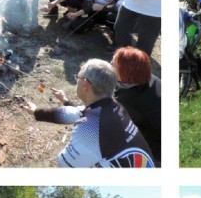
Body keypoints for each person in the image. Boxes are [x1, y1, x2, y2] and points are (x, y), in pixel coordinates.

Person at [26, 59, 155, 168]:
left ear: (86, 85)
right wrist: (38, 112)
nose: (77, 80)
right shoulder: (114, 107)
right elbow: (78, 113)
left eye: (78, 78)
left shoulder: (88, 131)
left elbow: (64, 164)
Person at [112, 46, 161, 165]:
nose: (110, 66)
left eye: (114, 65)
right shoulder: (151, 79)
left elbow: (102, 117)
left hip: (154, 153)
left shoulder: (127, 101)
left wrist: (67, 103)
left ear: (126, 71)